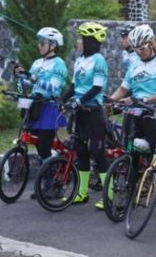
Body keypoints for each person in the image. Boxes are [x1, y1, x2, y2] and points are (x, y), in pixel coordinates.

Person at [108, 24, 156, 214]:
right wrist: (110, 101)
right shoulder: (134, 63)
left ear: (152, 44)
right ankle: (129, 194)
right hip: (134, 112)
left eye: (143, 49)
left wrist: (143, 99)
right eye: (137, 50)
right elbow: (123, 88)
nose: (140, 53)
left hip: (154, 113)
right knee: (131, 154)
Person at [14, 27, 68, 199]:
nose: (40, 46)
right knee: (40, 147)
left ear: (53, 45)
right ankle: (50, 172)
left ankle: (51, 185)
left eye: (43, 43)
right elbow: (28, 86)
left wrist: (34, 78)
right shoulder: (37, 63)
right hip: (35, 107)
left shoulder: (59, 64)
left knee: (44, 147)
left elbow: (54, 87)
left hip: (49, 108)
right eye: (39, 43)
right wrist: (20, 77)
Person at [61, 22, 109, 208]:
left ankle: (109, 195)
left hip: (94, 111)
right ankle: (82, 193)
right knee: (80, 151)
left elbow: (96, 87)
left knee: (97, 151)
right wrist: (61, 99)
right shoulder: (80, 59)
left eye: (82, 38)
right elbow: (74, 86)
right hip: (79, 111)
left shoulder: (99, 60)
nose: (79, 42)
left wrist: (79, 101)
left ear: (90, 41)